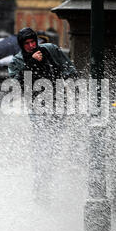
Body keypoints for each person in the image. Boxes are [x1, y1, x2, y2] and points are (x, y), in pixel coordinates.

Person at [8, 27, 78, 204]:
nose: (32, 46)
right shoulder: (18, 61)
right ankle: (41, 187)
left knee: (53, 146)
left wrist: (70, 78)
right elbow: (15, 85)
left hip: (58, 106)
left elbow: (68, 67)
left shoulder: (50, 50)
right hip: (37, 110)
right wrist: (30, 63)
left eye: (33, 42)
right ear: (22, 45)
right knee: (42, 146)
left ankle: (49, 180)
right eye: (27, 44)